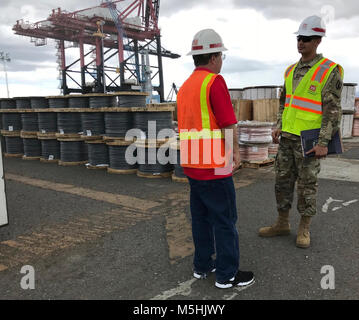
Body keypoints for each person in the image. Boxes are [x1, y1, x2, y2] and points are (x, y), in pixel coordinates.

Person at [177, 29, 254, 288]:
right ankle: (227, 275)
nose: (221, 61)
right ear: (213, 58)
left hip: (191, 163)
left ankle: (202, 266)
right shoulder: (214, 82)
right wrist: (236, 156)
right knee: (224, 220)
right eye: (221, 55)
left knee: (200, 218)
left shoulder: (186, 86)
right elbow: (228, 124)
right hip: (215, 165)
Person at [258, 16, 344, 248]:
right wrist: (278, 124)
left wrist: (324, 141)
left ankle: (304, 228)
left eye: (306, 39)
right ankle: (282, 222)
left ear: (318, 41)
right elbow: (285, 102)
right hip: (287, 138)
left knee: (307, 185)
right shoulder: (290, 70)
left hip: (309, 140)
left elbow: (332, 110)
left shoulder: (329, 70)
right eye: (299, 38)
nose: (301, 43)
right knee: (282, 182)